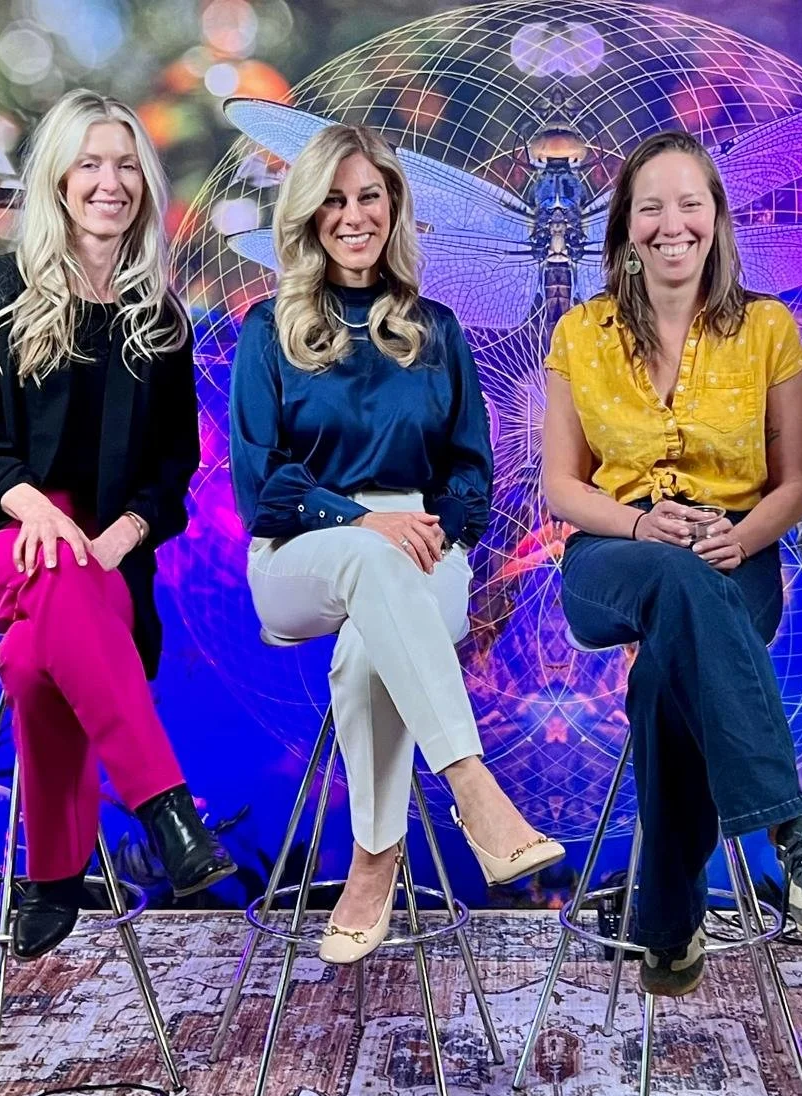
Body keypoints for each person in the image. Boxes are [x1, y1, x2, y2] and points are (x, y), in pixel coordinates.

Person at [0, 90, 236, 960]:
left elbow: (173, 472)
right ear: (56, 176)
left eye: (126, 164)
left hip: (102, 565)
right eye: (91, 162)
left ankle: (52, 879)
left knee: (34, 654)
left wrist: (122, 535)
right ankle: (167, 809)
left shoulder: (158, 315)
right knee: (50, 575)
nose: (109, 181)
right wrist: (36, 512)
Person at [229, 123, 563, 966]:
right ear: (308, 215)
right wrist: (362, 519)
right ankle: (472, 787)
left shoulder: (437, 328)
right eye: (334, 200)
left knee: (363, 656)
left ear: (393, 208)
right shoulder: (271, 329)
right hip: (299, 553)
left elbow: (469, 473)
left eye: (369, 197)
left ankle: (372, 862)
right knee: (370, 563)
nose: (352, 216)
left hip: (424, 550)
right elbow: (260, 485)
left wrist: (434, 532)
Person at [541, 130, 802, 1000]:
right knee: (677, 582)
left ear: (717, 221)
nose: (670, 223)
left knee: (664, 682)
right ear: (625, 228)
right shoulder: (581, 333)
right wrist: (645, 529)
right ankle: (794, 833)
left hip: (736, 552)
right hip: (616, 553)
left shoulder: (767, 329)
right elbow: (561, 490)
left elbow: (795, 484)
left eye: (690, 204)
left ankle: (668, 922)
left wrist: (745, 536)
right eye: (650, 207)